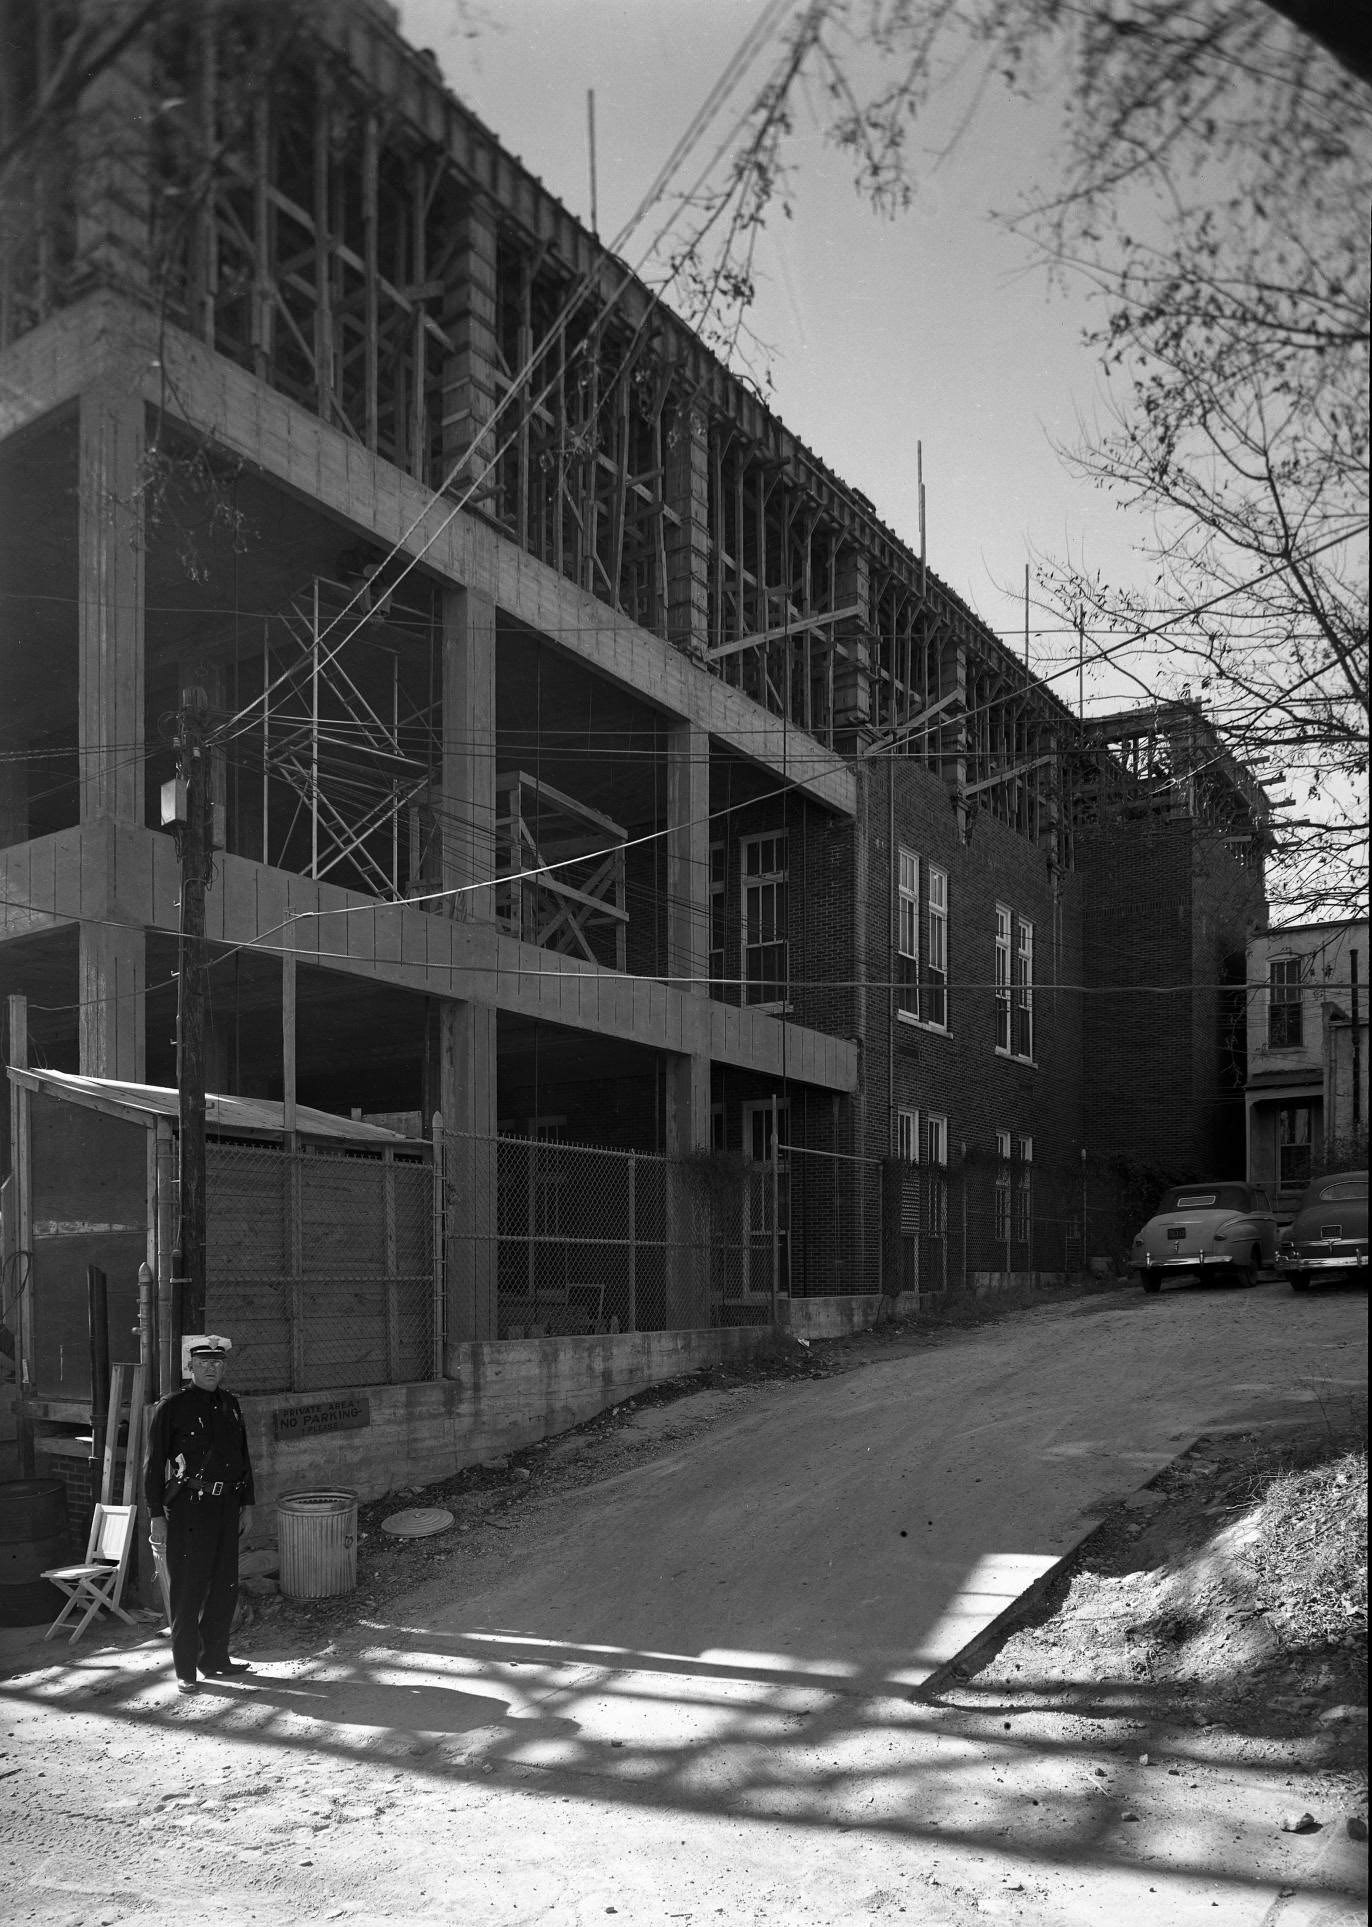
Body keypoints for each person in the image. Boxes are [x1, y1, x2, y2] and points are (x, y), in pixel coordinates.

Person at [144, 1333, 255, 1695]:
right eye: (204, 1363)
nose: (212, 1369)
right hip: (190, 1510)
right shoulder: (172, 1406)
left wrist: (247, 1504)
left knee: (225, 1585)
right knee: (189, 1591)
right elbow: (153, 1464)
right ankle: (186, 1669)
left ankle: (216, 1659)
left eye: (218, 1363)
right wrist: (155, 1514)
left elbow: (243, 1458)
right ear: (191, 1367)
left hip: (227, 1507)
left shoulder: (231, 1404)